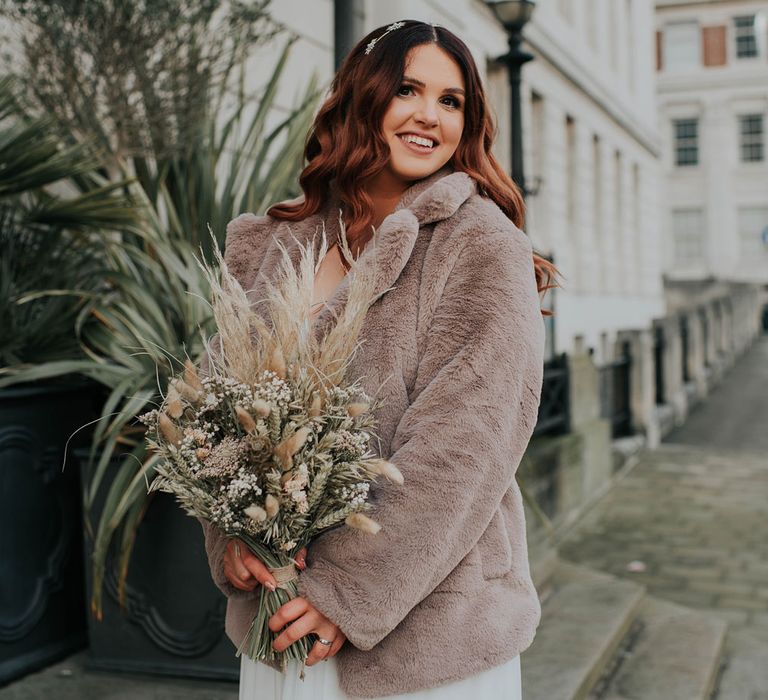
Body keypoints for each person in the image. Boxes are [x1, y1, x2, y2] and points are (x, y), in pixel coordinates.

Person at [200, 18, 558, 700]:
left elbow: (466, 444)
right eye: (408, 91)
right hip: (279, 626)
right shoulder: (272, 242)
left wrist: (350, 591)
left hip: (426, 642)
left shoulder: (479, 243)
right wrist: (234, 542)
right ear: (363, 99)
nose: (430, 115)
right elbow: (223, 412)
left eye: (452, 101)